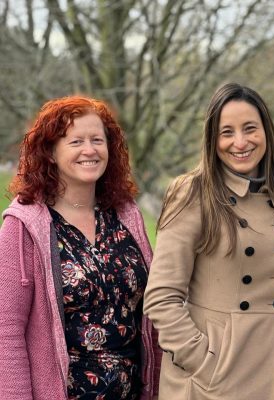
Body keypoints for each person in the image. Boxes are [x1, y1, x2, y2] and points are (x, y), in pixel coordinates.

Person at [143, 82, 274, 400]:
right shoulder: (193, 193)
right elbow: (162, 297)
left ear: (266, 131)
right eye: (227, 132)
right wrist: (204, 362)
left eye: (250, 129)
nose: (240, 142)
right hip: (212, 383)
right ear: (213, 140)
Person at [0, 95, 160, 399]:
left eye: (97, 140)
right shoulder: (23, 228)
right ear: (50, 151)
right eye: (76, 142)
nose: (90, 150)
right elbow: (5, 334)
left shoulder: (127, 216)